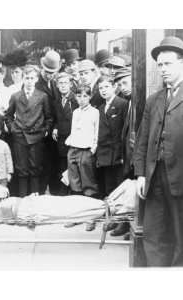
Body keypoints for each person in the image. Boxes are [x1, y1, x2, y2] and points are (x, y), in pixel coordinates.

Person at [134, 36, 183, 266]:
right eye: (160, 65)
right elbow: (142, 140)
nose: (163, 69)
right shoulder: (154, 100)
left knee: (180, 235)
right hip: (154, 178)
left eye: (168, 64)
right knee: (154, 234)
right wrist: (141, 174)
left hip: (181, 179)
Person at [5, 65, 53, 197]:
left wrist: (45, 130)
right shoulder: (15, 96)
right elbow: (8, 116)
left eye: (32, 78)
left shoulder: (42, 96)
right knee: (22, 168)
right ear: (23, 79)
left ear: (37, 79)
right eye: (27, 78)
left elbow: (49, 117)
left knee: (35, 167)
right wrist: (13, 129)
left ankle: (34, 197)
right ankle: (22, 198)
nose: (29, 81)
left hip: (36, 136)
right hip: (20, 136)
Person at [110, 67, 135, 239]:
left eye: (125, 82)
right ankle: (125, 223)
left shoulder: (139, 101)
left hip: (135, 155)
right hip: (128, 154)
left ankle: (130, 226)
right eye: (119, 84)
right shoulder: (130, 101)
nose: (122, 87)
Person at [96, 75, 128, 199]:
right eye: (100, 88)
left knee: (119, 186)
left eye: (106, 87)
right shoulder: (100, 108)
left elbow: (125, 130)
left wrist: (122, 153)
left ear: (114, 87)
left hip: (118, 152)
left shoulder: (122, 104)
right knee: (109, 186)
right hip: (104, 153)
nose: (103, 90)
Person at [65, 84, 99, 198]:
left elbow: (97, 131)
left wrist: (93, 148)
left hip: (86, 150)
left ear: (90, 97)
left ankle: (90, 198)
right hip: (73, 148)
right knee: (74, 177)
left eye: (85, 96)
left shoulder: (95, 112)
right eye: (79, 96)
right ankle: (77, 197)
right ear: (75, 97)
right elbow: (73, 130)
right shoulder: (75, 112)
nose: (82, 99)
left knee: (87, 177)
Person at [35, 50, 60, 195]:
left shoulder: (57, 83)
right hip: (42, 133)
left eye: (53, 72)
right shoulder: (35, 83)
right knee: (42, 169)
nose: (50, 75)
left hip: (55, 135)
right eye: (47, 71)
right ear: (41, 68)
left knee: (54, 169)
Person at [52, 72, 78, 195]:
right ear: (57, 85)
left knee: (73, 167)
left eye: (65, 83)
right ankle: (63, 194)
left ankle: (73, 193)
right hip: (61, 140)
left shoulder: (76, 99)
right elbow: (57, 118)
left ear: (71, 84)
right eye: (60, 83)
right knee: (62, 166)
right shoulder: (57, 101)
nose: (63, 86)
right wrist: (55, 127)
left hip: (74, 139)